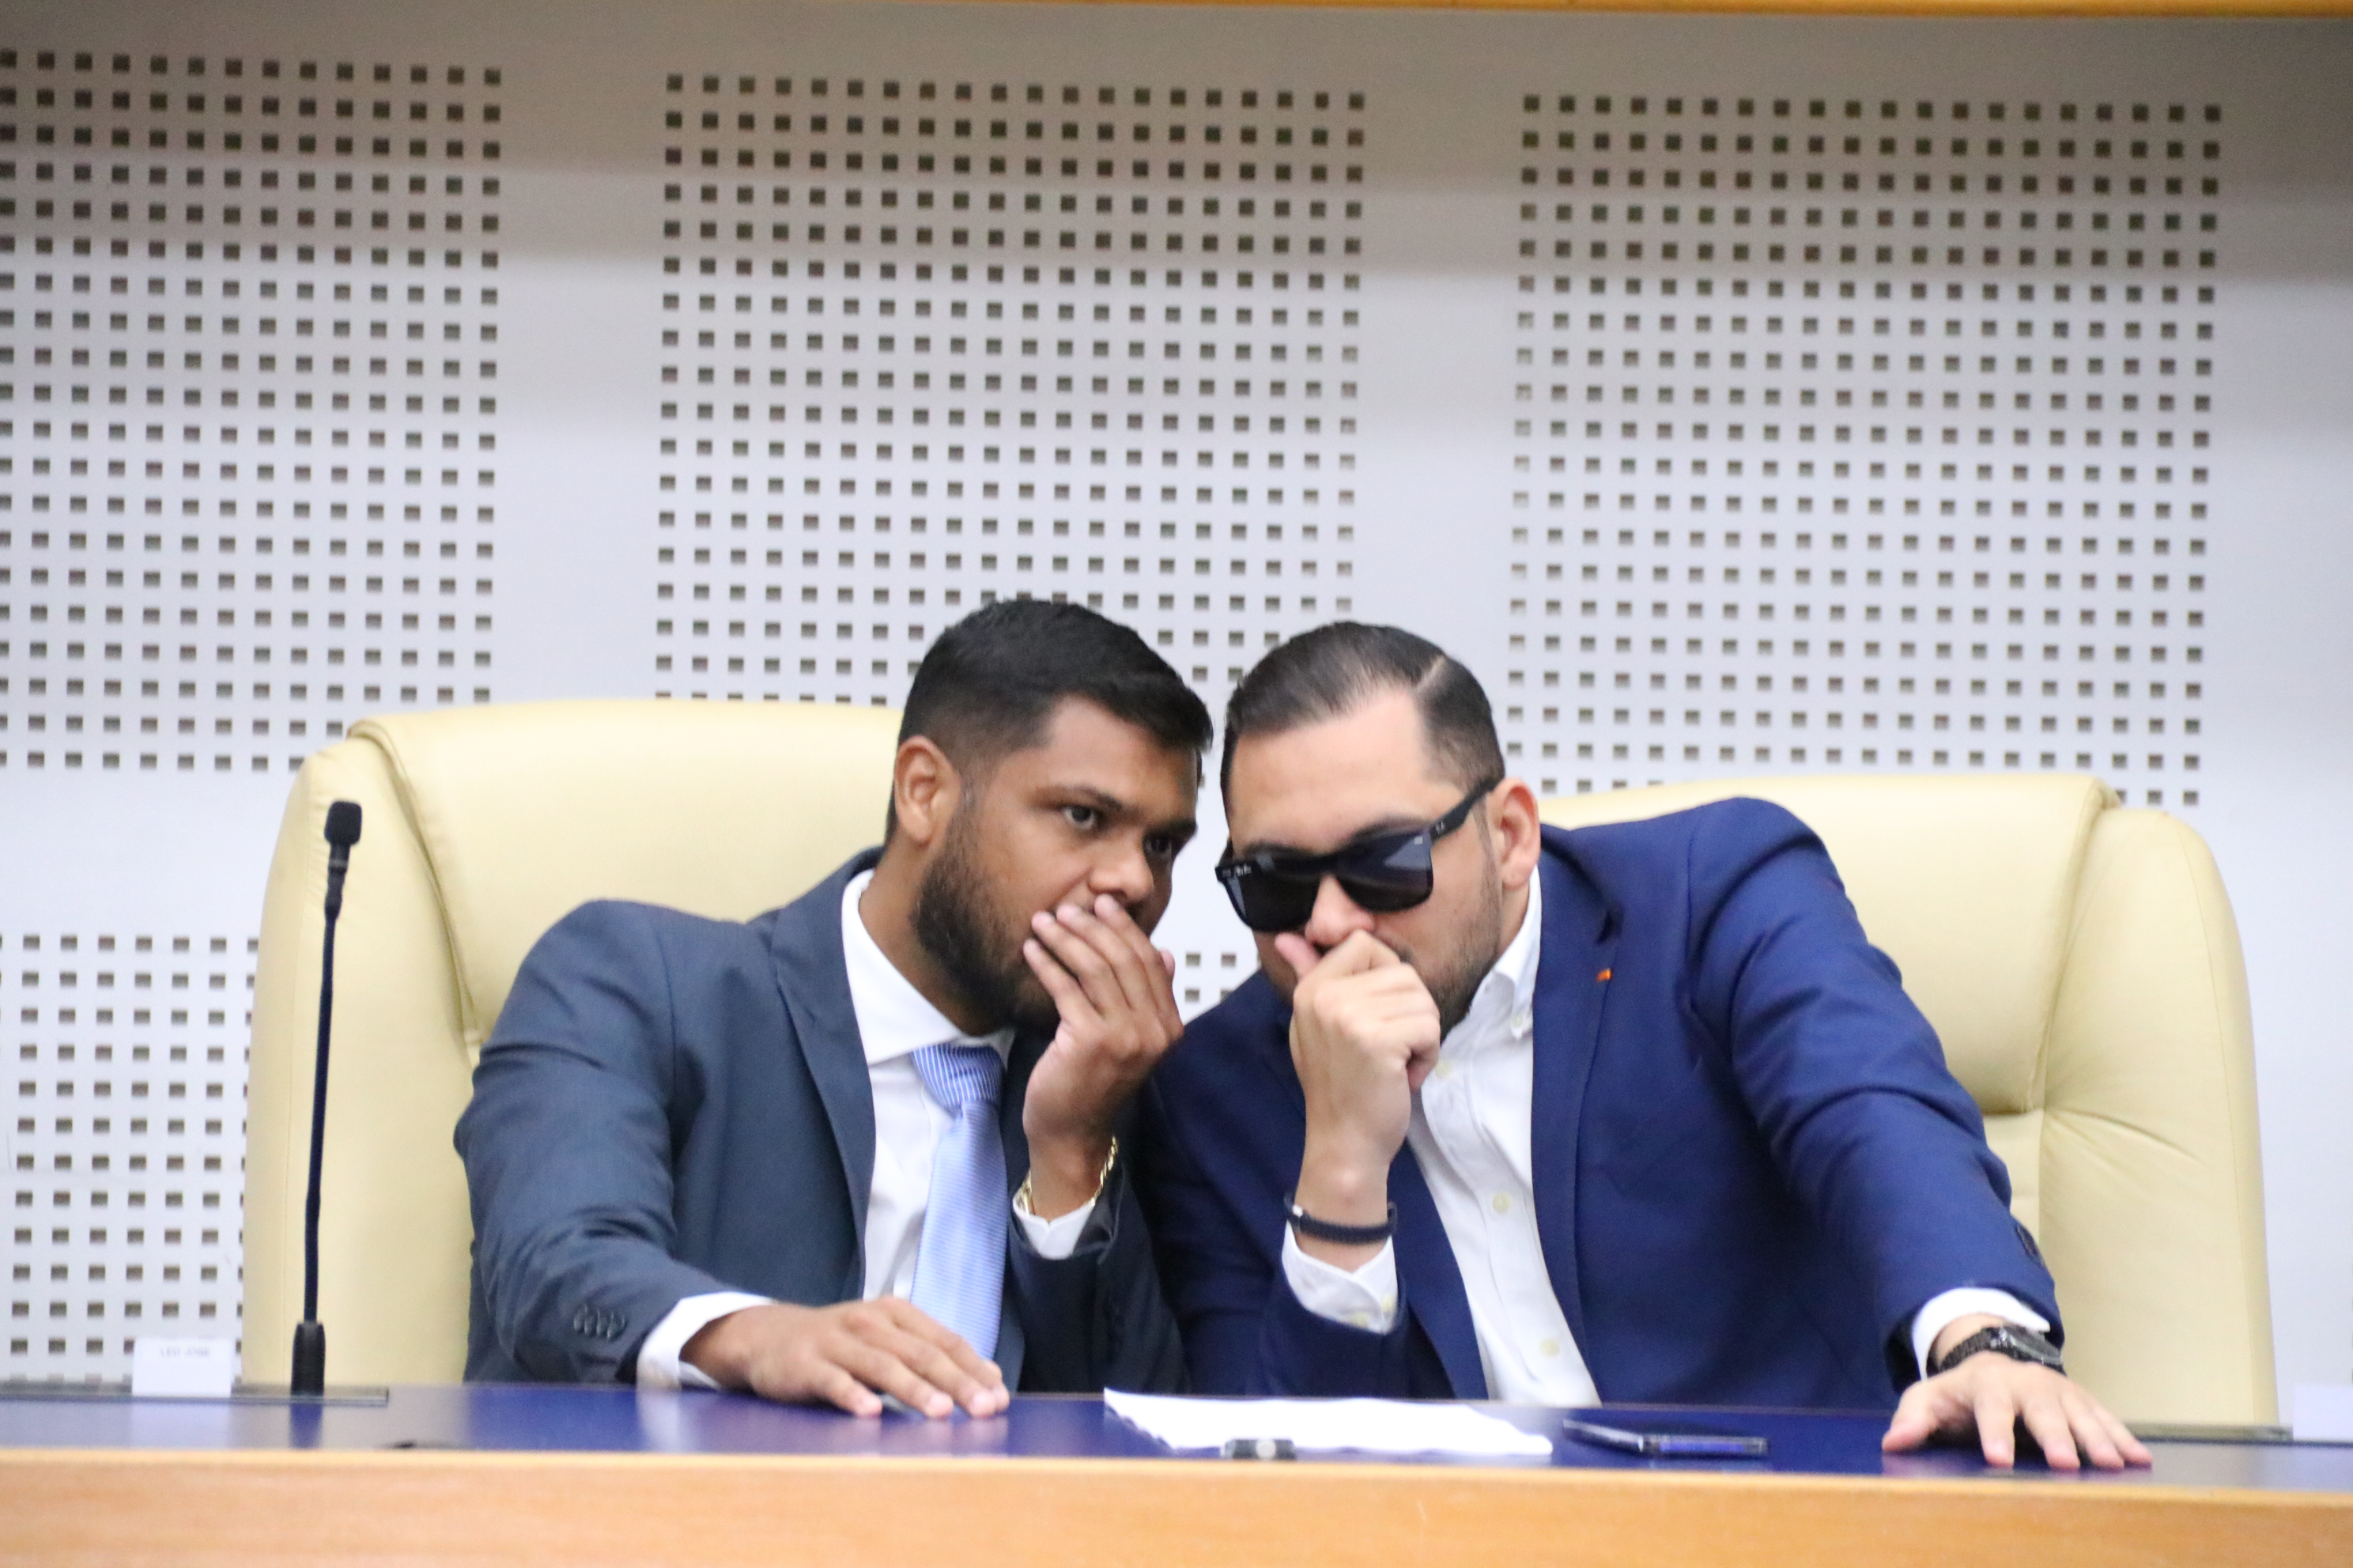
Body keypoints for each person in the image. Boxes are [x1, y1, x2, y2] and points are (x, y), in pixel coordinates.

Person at [1135, 622, 2150, 1470]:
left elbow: (1870, 1114)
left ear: (1509, 836)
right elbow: (1282, 1478)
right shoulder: (1214, 1090)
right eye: (1274, 883)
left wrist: (1984, 1339)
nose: (1328, 923)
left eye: (1382, 864)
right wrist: (1343, 1167)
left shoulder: (1712, 895)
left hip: (1787, 1522)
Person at [458, 599, 1210, 1417]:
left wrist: (1071, 1153)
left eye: (1161, 844)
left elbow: (1144, 1435)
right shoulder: (635, 980)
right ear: (924, 792)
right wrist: (756, 1336)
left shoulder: (1105, 1075)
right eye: (1084, 817)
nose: (1136, 881)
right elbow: (552, 1264)